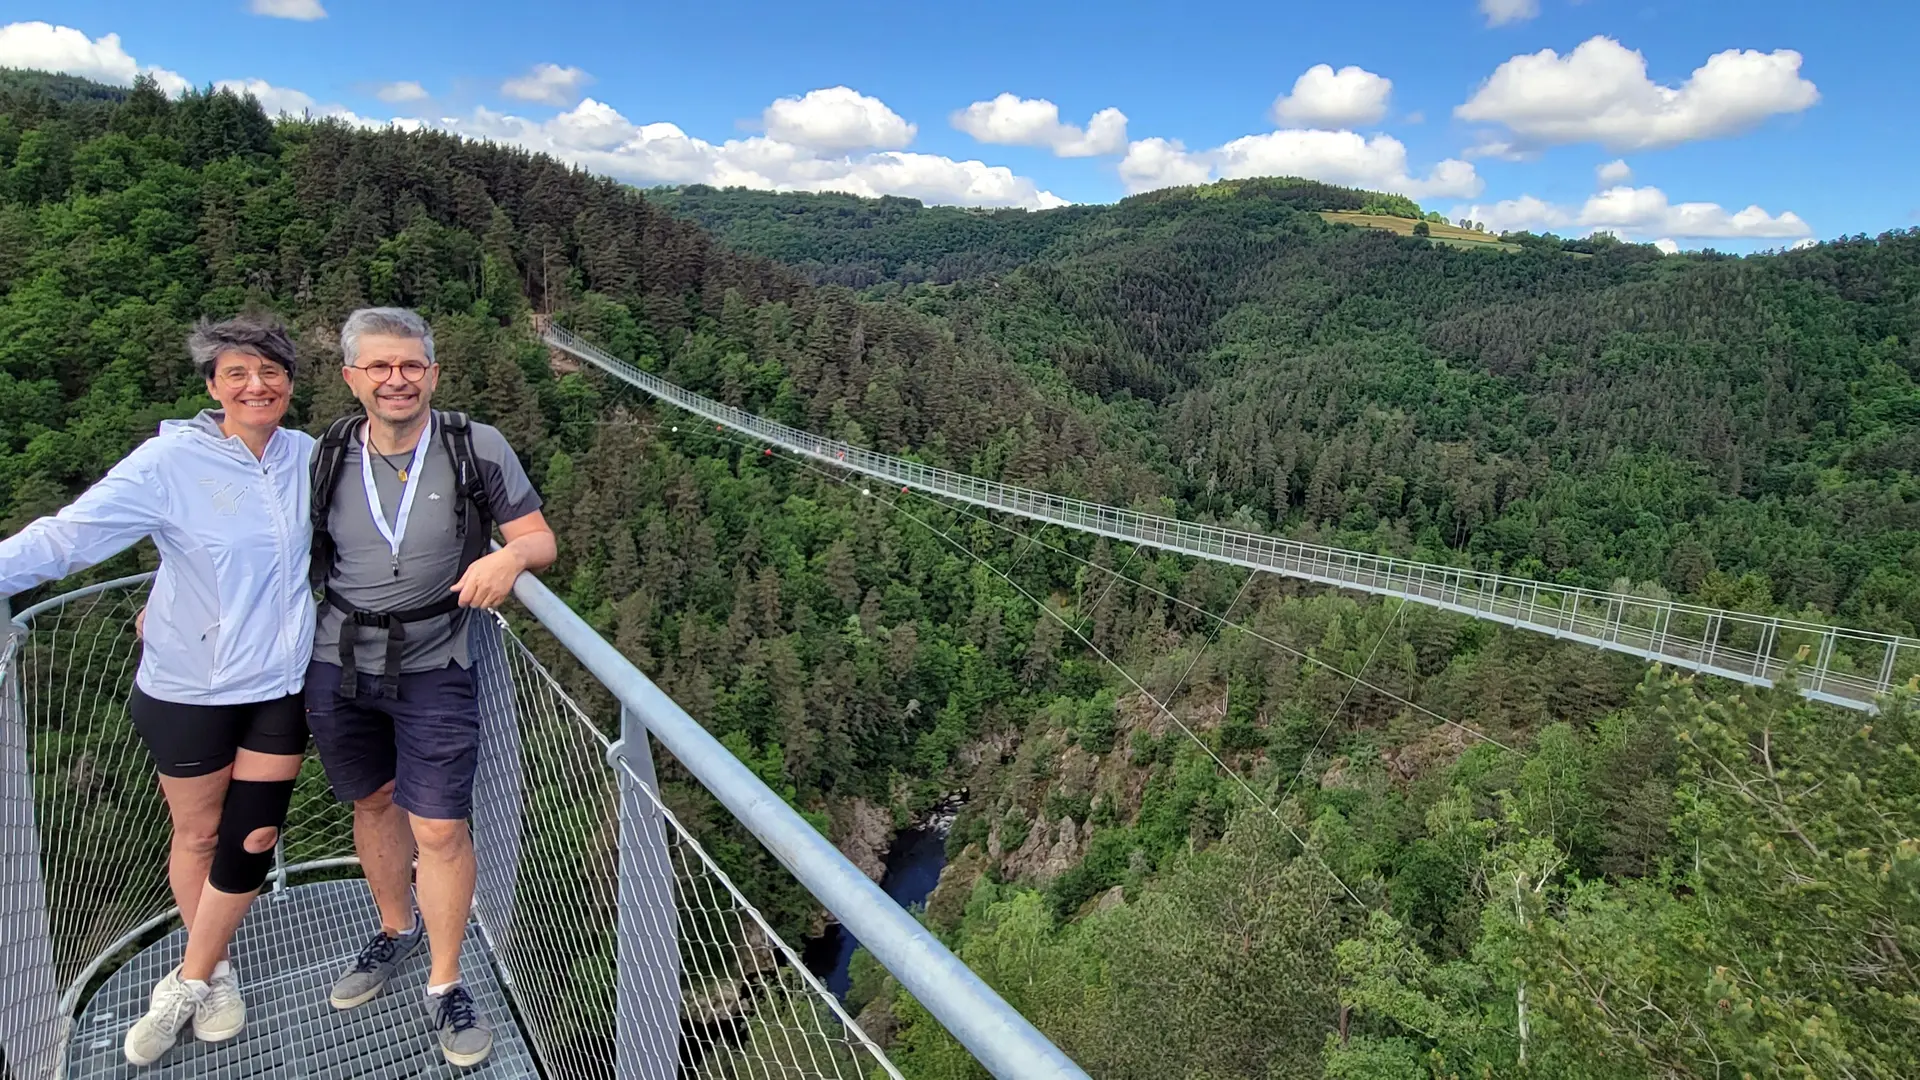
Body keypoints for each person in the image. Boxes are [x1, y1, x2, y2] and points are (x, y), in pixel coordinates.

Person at [0, 318, 315, 1066]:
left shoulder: (308, 456)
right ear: (212, 387)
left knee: (255, 835)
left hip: (280, 680)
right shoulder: (170, 461)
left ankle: (189, 977)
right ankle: (220, 972)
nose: (256, 385)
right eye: (237, 373)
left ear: (291, 385)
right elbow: (67, 538)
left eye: (272, 372)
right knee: (200, 835)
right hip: (187, 688)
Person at [305, 307, 554, 1068]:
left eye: (410, 365)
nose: (396, 379)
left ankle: (445, 985)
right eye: (378, 366)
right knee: (373, 802)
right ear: (351, 377)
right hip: (338, 659)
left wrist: (508, 562)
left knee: (440, 827)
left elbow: (539, 535)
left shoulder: (473, 444)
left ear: (433, 374)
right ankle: (393, 928)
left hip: (437, 662)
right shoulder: (326, 454)